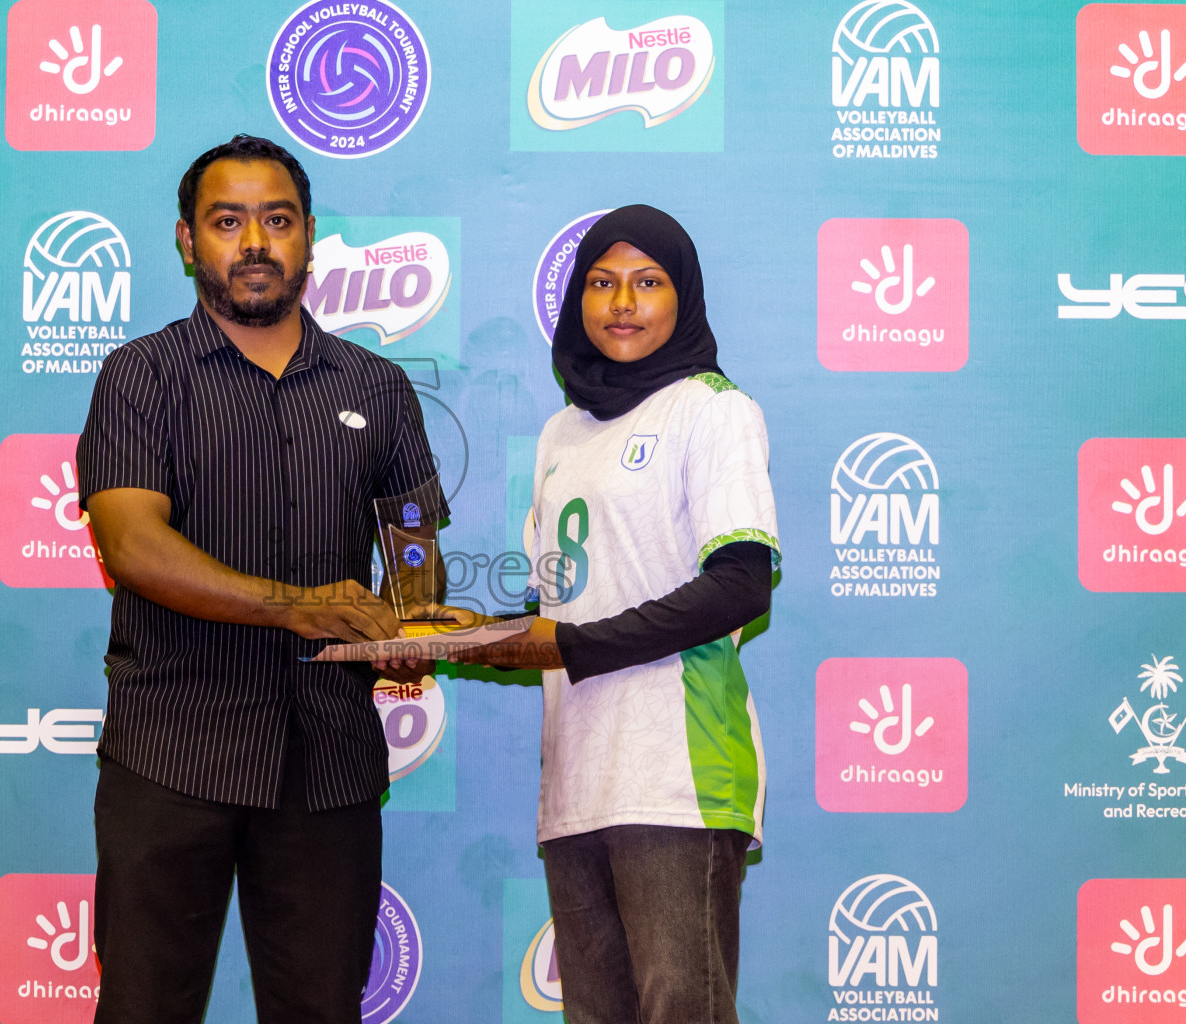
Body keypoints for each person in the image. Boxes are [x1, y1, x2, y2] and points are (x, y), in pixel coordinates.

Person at [76, 134, 445, 1024]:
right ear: (185, 239)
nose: (254, 242)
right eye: (227, 220)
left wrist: (421, 626)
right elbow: (133, 546)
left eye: (275, 220)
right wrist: (297, 608)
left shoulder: (380, 386)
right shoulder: (141, 376)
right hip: (171, 756)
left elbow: (413, 564)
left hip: (329, 766)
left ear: (310, 236)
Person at [458, 204, 779, 1024]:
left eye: (647, 282)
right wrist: (451, 638)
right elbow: (557, 607)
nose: (622, 302)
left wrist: (574, 645)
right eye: (602, 283)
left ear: (684, 298)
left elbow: (741, 584)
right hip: (576, 778)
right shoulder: (561, 431)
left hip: (677, 775)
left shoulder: (712, 409)